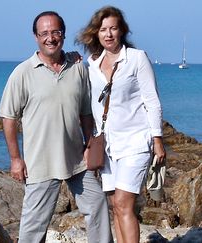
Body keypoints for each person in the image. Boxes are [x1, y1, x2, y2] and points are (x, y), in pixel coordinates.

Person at [0, 10, 114, 243]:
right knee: (33, 228)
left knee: (98, 205)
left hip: (76, 159)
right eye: (44, 33)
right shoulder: (22, 73)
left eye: (55, 32)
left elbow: (84, 112)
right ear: (36, 37)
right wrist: (15, 159)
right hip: (40, 163)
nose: (50, 38)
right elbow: (9, 118)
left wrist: (90, 142)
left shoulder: (77, 67)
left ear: (63, 34)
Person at [76, 6, 166, 243]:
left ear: (122, 31)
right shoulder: (92, 64)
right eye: (103, 29)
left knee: (124, 203)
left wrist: (158, 140)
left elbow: (152, 101)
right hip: (107, 146)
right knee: (115, 204)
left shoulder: (137, 59)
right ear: (96, 33)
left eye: (113, 28)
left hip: (136, 141)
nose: (108, 34)